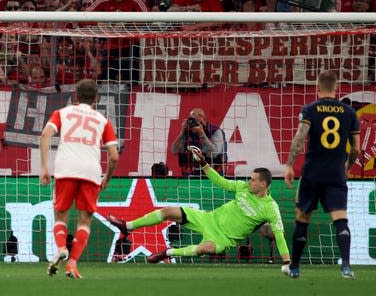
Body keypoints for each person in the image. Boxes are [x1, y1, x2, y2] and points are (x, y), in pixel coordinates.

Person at [108, 146, 291, 267]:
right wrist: (203, 163)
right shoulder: (243, 188)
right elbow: (220, 181)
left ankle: (166, 252)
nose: (249, 181)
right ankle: (128, 226)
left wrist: (287, 261)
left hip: (224, 238)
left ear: (263, 185)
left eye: (253, 180)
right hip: (208, 218)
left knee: (206, 249)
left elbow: (280, 236)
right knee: (168, 211)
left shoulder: (270, 207)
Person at [283, 70, 360, 279]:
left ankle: (295, 267)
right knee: (340, 217)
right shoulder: (349, 112)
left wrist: (290, 165)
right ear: (336, 88)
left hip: (312, 173)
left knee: (303, 217)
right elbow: (355, 149)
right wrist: (348, 167)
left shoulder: (310, 109)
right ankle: (346, 267)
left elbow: (299, 138)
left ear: (317, 87)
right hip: (336, 173)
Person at [40, 79, 120, 279]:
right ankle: (72, 264)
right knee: (84, 221)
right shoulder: (103, 121)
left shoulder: (62, 113)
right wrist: (106, 178)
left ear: (76, 96)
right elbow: (114, 156)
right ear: (96, 98)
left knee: (61, 216)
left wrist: (44, 168)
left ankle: (61, 247)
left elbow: (45, 135)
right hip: (91, 172)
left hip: (65, 169)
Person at [171, 108, 226, 176]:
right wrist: (182, 133)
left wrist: (201, 133)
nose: (192, 123)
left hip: (213, 172)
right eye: (190, 120)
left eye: (194, 120)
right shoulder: (188, 132)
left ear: (201, 118)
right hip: (192, 172)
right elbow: (175, 151)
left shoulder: (215, 131)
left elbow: (213, 154)